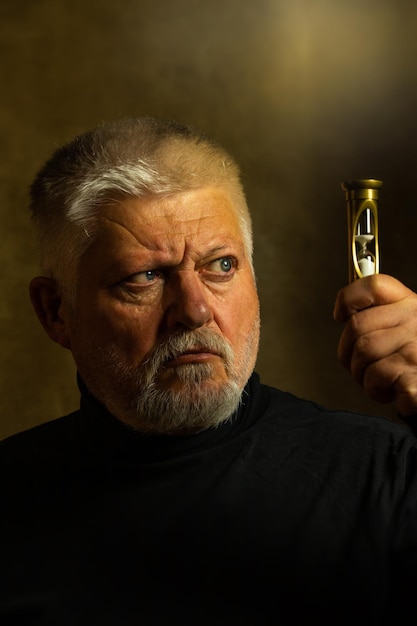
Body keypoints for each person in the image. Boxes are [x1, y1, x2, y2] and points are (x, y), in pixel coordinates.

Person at [1, 117, 417, 626]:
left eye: (220, 266)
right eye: (145, 277)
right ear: (55, 312)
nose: (194, 311)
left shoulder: (386, 474)